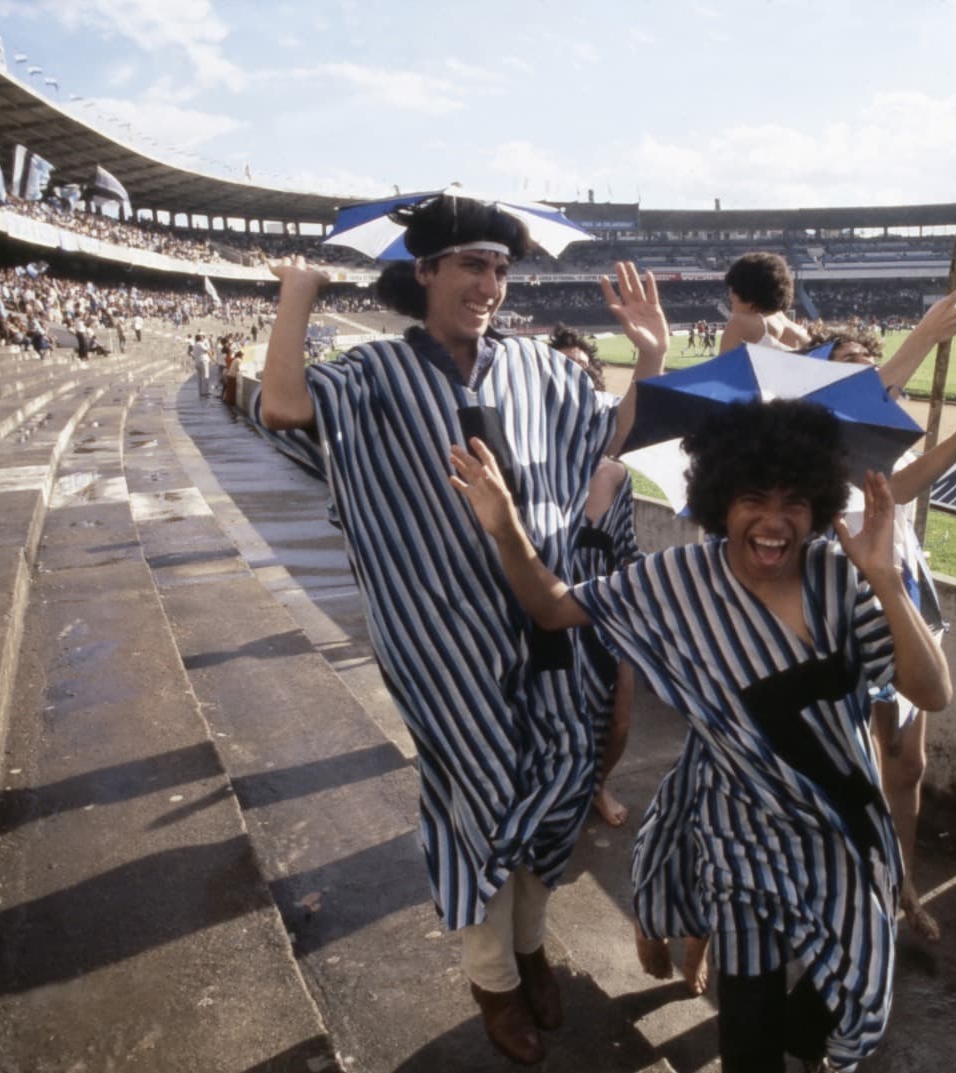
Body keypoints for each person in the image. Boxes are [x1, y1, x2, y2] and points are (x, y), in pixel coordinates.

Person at [255, 193, 668, 1067]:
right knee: (479, 800)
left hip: (547, 625)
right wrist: (299, 294)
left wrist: (652, 360)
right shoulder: (371, 374)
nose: (490, 282)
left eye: (502, 268)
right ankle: (494, 979)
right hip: (440, 640)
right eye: (473, 264)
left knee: (553, 800)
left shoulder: (543, 371)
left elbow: (611, 442)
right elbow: (284, 407)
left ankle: (529, 946)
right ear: (426, 270)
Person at [452, 398, 951, 1073]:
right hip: (739, 829)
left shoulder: (841, 578)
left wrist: (887, 580)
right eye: (753, 498)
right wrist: (506, 527)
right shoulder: (676, 582)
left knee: (856, 997)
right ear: (720, 500)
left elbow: (933, 691)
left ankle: (804, 1039)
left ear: (819, 503)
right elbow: (551, 606)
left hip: (841, 827)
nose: (775, 522)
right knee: (748, 1030)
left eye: (795, 501)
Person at [817, 321, 956, 941]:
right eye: (844, 362)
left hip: (908, 600)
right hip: (848, 616)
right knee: (852, 764)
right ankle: (844, 883)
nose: (861, 371)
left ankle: (901, 883)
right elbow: (896, 489)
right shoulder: (820, 444)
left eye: (867, 360)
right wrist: (930, 342)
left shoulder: (891, 439)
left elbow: (906, 481)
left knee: (907, 765)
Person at [547, 323, 638, 828]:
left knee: (618, 720)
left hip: (608, 615)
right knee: (560, 721)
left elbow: (625, 548)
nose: (571, 379)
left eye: (581, 371)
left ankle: (598, 785)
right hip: (549, 613)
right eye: (560, 370)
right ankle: (559, 793)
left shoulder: (617, 476)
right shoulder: (530, 469)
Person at [719, 251, 811, 354]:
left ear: (748, 298)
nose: (733, 309)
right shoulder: (802, 334)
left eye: (732, 302)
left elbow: (722, 368)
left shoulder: (740, 324)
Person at [190, 333, 212, 397]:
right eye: (202, 337)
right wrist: (213, 359)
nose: (203, 338)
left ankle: (201, 392)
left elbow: (193, 355)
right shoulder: (200, 344)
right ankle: (206, 392)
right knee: (205, 376)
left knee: (200, 378)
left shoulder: (195, 345)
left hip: (197, 362)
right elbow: (207, 350)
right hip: (203, 361)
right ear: (200, 338)